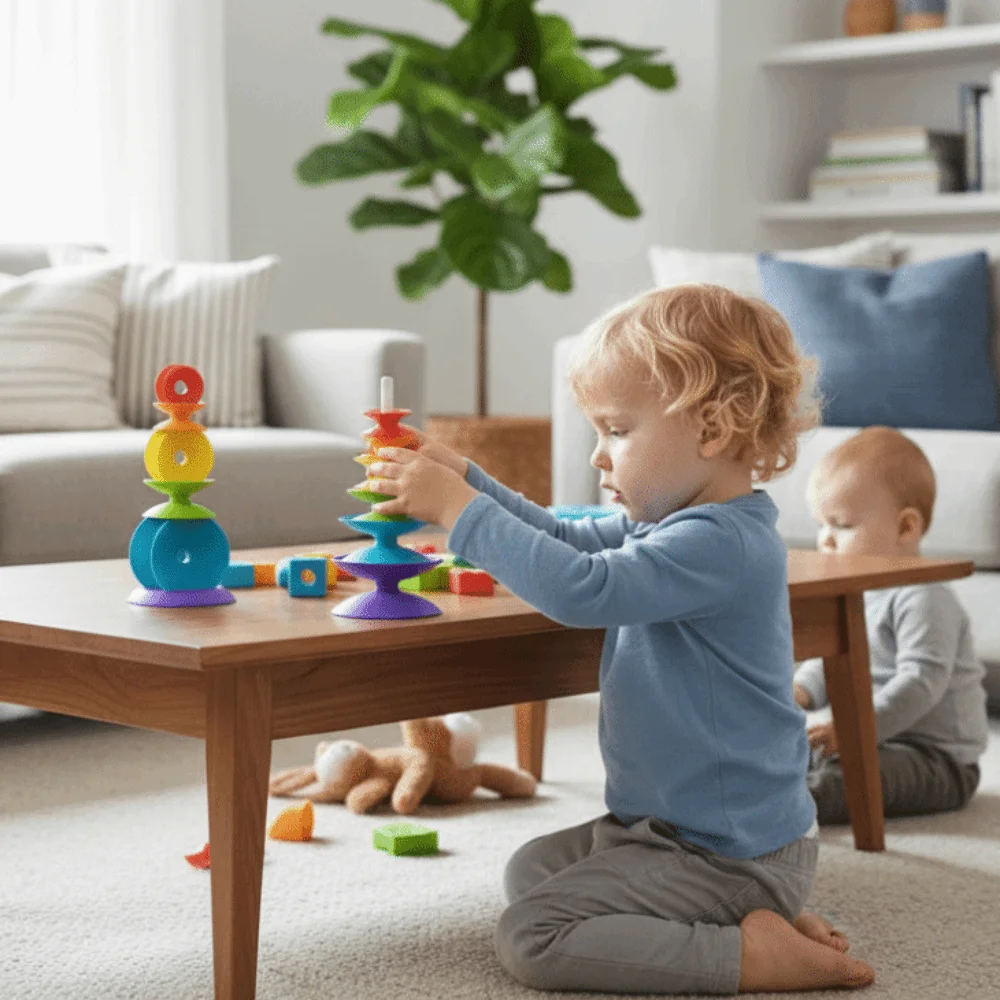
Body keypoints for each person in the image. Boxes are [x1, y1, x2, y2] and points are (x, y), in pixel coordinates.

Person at [367, 284, 875, 994]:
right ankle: (761, 915)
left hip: (726, 850)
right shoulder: (668, 524)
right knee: (528, 872)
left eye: (617, 430)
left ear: (712, 429)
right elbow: (564, 536)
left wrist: (460, 512)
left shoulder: (721, 544)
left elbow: (584, 588)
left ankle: (751, 954)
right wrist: (468, 482)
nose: (600, 457)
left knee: (531, 936)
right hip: (667, 830)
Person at [794, 426, 988, 825]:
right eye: (822, 524)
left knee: (839, 779)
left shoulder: (924, 594)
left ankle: (782, 812)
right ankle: (759, 788)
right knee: (796, 748)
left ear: (905, 528)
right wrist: (801, 691)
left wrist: (852, 728)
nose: (825, 540)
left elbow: (920, 682)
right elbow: (833, 657)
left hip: (934, 758)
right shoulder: (857, 591)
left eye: (843, 525)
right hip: (868, 737)